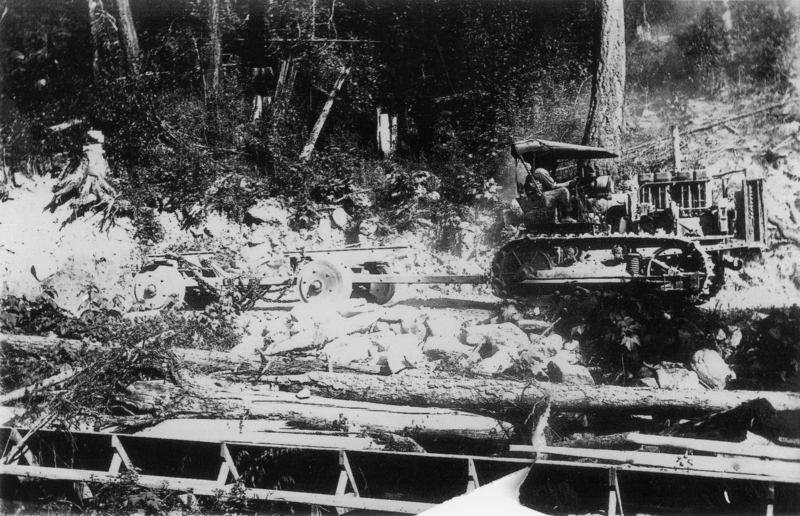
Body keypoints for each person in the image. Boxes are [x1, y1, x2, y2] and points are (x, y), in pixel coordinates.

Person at [523, 154, 577, 223]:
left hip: (534, 197)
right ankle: (565, 216)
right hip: (540, 198)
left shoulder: (535, 172)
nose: (555, 165)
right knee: (564, 191)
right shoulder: (540, 171)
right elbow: (553, 186)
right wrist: (569, 183)